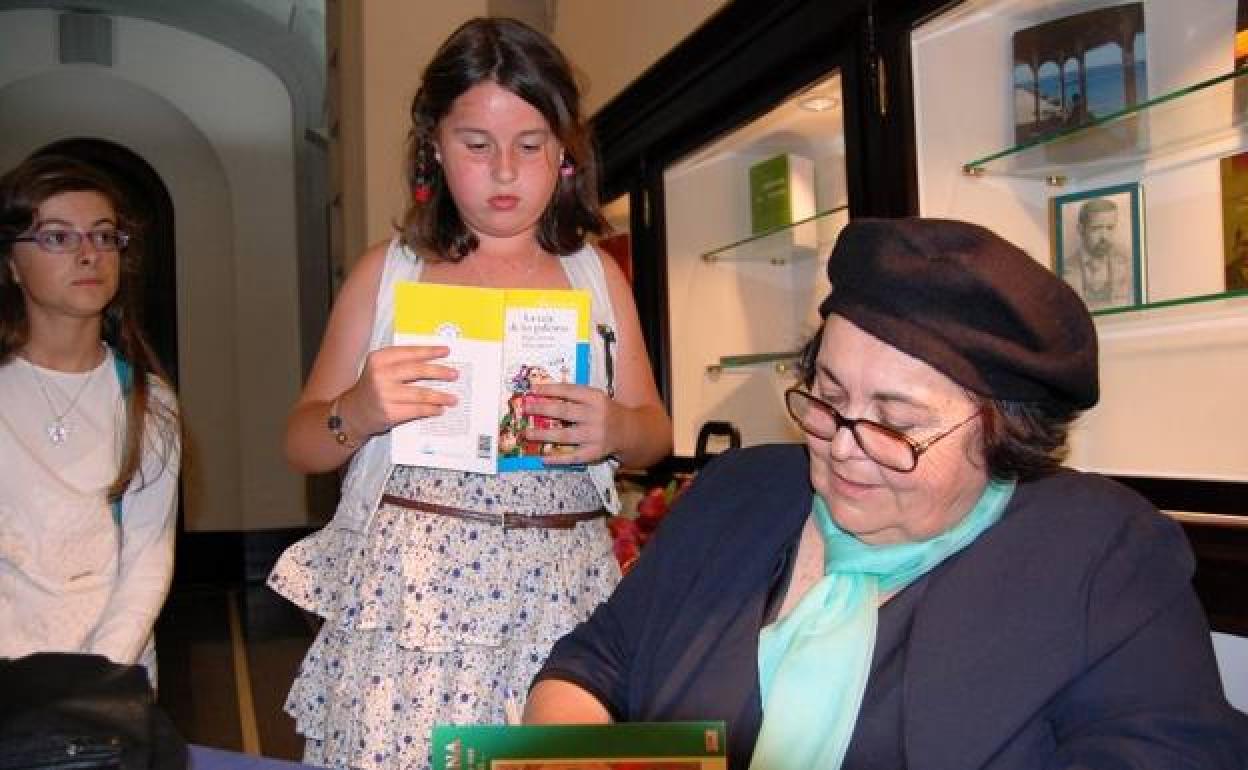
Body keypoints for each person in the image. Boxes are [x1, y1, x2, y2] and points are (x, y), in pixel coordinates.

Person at [526, 218, 1248, 769]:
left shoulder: (1099, 556)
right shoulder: (738, 493)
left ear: (1003, 432)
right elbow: (597, 661)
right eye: (829, 396)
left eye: (896, 423)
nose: (843, 445)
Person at [267, 17, 671, 770]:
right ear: (433, 147)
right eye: (477, 145)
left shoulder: (594, 275)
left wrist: (617, 428)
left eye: (530, 145)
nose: (506, 172)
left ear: (565, 151)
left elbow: (656, 430)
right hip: (415, 601)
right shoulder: (388, 272)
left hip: (560, 592)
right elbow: (301, 441)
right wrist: (357, 410)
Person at [0, 154, 181, 686]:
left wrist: (100, 673)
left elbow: (147, 559)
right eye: (58, 237)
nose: (89, 254)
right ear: (12, 263)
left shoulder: (148, 400)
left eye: (103, 236)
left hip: (112, 675)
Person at [1061, 196, 1135, 310]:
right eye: (1096, 228)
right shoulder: (1066, 268)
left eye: (1110, 228)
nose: (1104, 236)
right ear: (1081, 229)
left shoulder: (1128, 262)